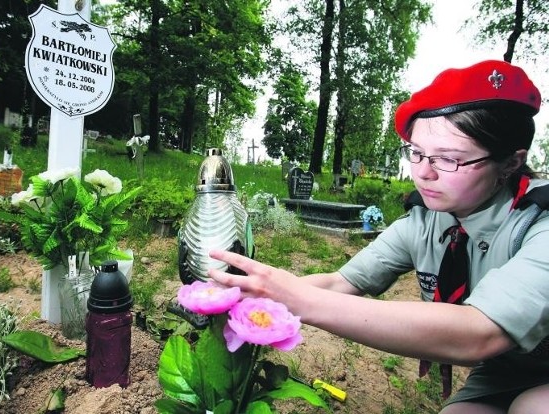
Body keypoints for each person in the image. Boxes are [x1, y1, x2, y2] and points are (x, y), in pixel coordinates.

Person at [208, 60, 548, 414]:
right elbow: (342, 283)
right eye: (416, 154)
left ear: (510, 163)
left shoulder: (540, 224)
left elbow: (480, 331)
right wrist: (249, 302)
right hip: (504, 371)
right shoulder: (426, 220)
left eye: (448, 159)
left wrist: (301, 302)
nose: (423, 173)